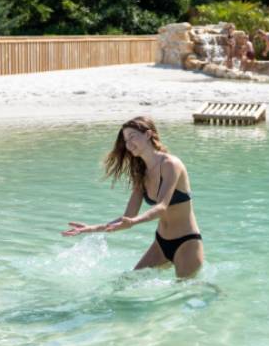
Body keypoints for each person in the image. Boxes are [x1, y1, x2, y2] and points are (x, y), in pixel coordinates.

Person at [62, 116, 204, 278]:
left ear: (148, 134)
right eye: (125, 140)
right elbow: (128, 217)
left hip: (186, 243)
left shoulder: (170, 164)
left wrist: (134, 222)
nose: (128, 144)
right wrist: (92, 228)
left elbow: (161, 207)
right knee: (127, 281)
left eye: (132, 137)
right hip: (160, 243)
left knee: (187, 290)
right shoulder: (141, 173)